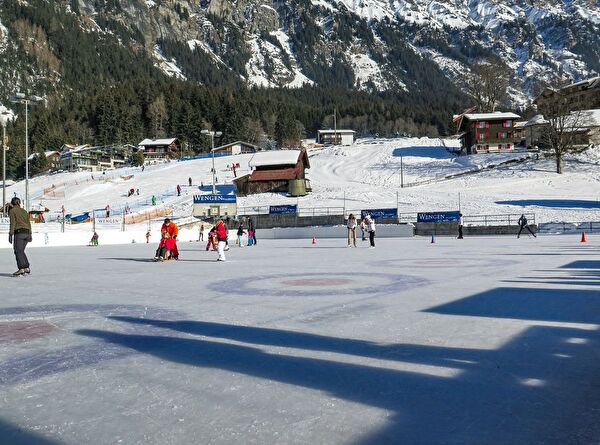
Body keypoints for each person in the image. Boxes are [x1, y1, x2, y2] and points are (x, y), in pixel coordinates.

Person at [8, 198, 32, 276]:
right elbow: (28, 223)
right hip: (27, 232)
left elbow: (13, 223)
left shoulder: (12, 211)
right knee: (21, 251)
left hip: (19, 232)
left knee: (17, 251)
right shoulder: (24, 211)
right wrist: (30, 234)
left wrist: (10, 234)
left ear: (12, 203)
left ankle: (21, 268)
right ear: (19, 203)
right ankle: (26, 268)